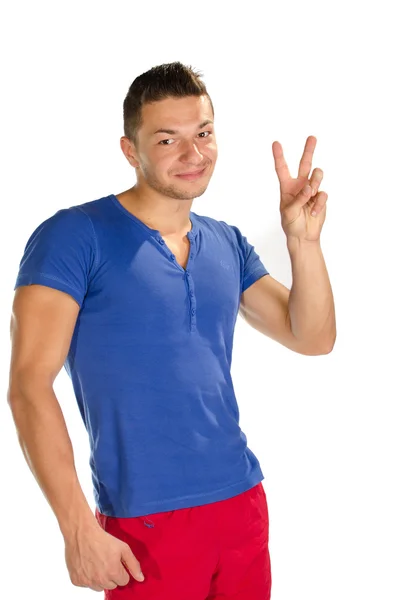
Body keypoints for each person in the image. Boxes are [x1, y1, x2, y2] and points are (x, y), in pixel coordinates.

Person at [7, 61, 335, 600]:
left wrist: (304, 241)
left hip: (242, 507)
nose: (194, 154)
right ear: (130, 150)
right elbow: (28, 384)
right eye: (168, 138)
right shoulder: (73, 236)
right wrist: (76, 529)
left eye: (203, 133)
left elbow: (313, 338)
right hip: (145, 526)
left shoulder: (226, 242)